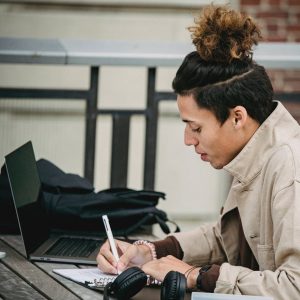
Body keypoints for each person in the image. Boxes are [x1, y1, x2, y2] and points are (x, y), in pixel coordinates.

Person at [97, 4, 300, 299]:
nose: (187, 140)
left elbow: (295, 286)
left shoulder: (290, 169)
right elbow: (224, 238)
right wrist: (150, 252)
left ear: (237, 117)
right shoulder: (254, 149)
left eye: (196, 127)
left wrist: (195, 276)